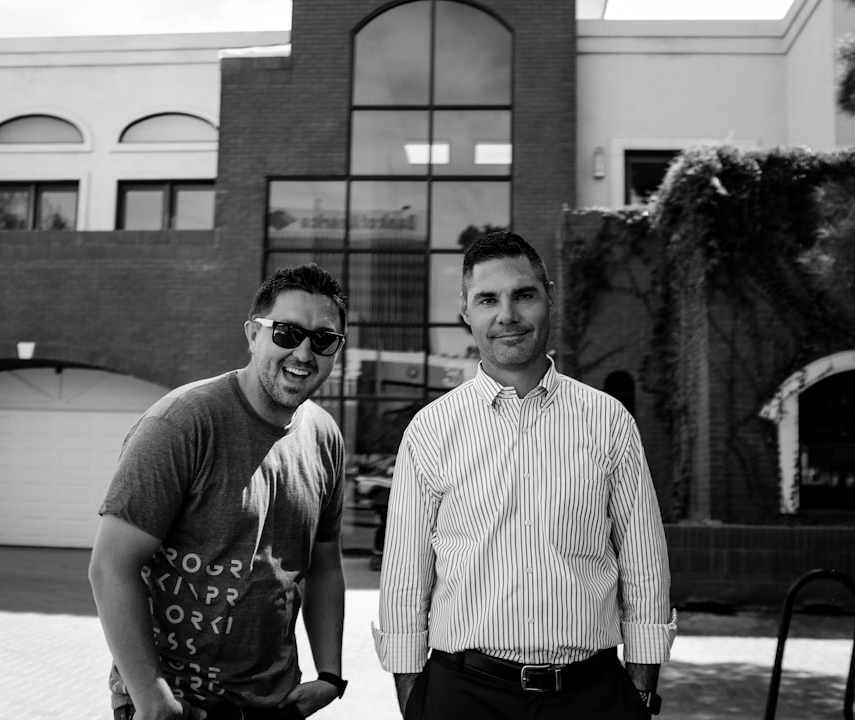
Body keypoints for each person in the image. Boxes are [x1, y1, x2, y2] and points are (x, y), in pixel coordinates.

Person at [373, 232, 676, 719]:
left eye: (524, 295)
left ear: (548, 297)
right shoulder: (430, 431)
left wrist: (639, 697)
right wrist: (417, 706)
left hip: (591, 696)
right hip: (464, 696)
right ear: (466, 310)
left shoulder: (608, 421)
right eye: (488, 299)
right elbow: (406, 583)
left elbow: (644, 569)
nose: (507, 315)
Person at [89, 263, 350, 720]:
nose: (304, 353)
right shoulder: (182, 423)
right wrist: (151, 697)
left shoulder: (325, 437)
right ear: (253, 334)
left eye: (323, 339)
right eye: (286, 333)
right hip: (177, 706)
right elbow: (111, 566)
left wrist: (329, 676)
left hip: (275, 704)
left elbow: (324, 567)